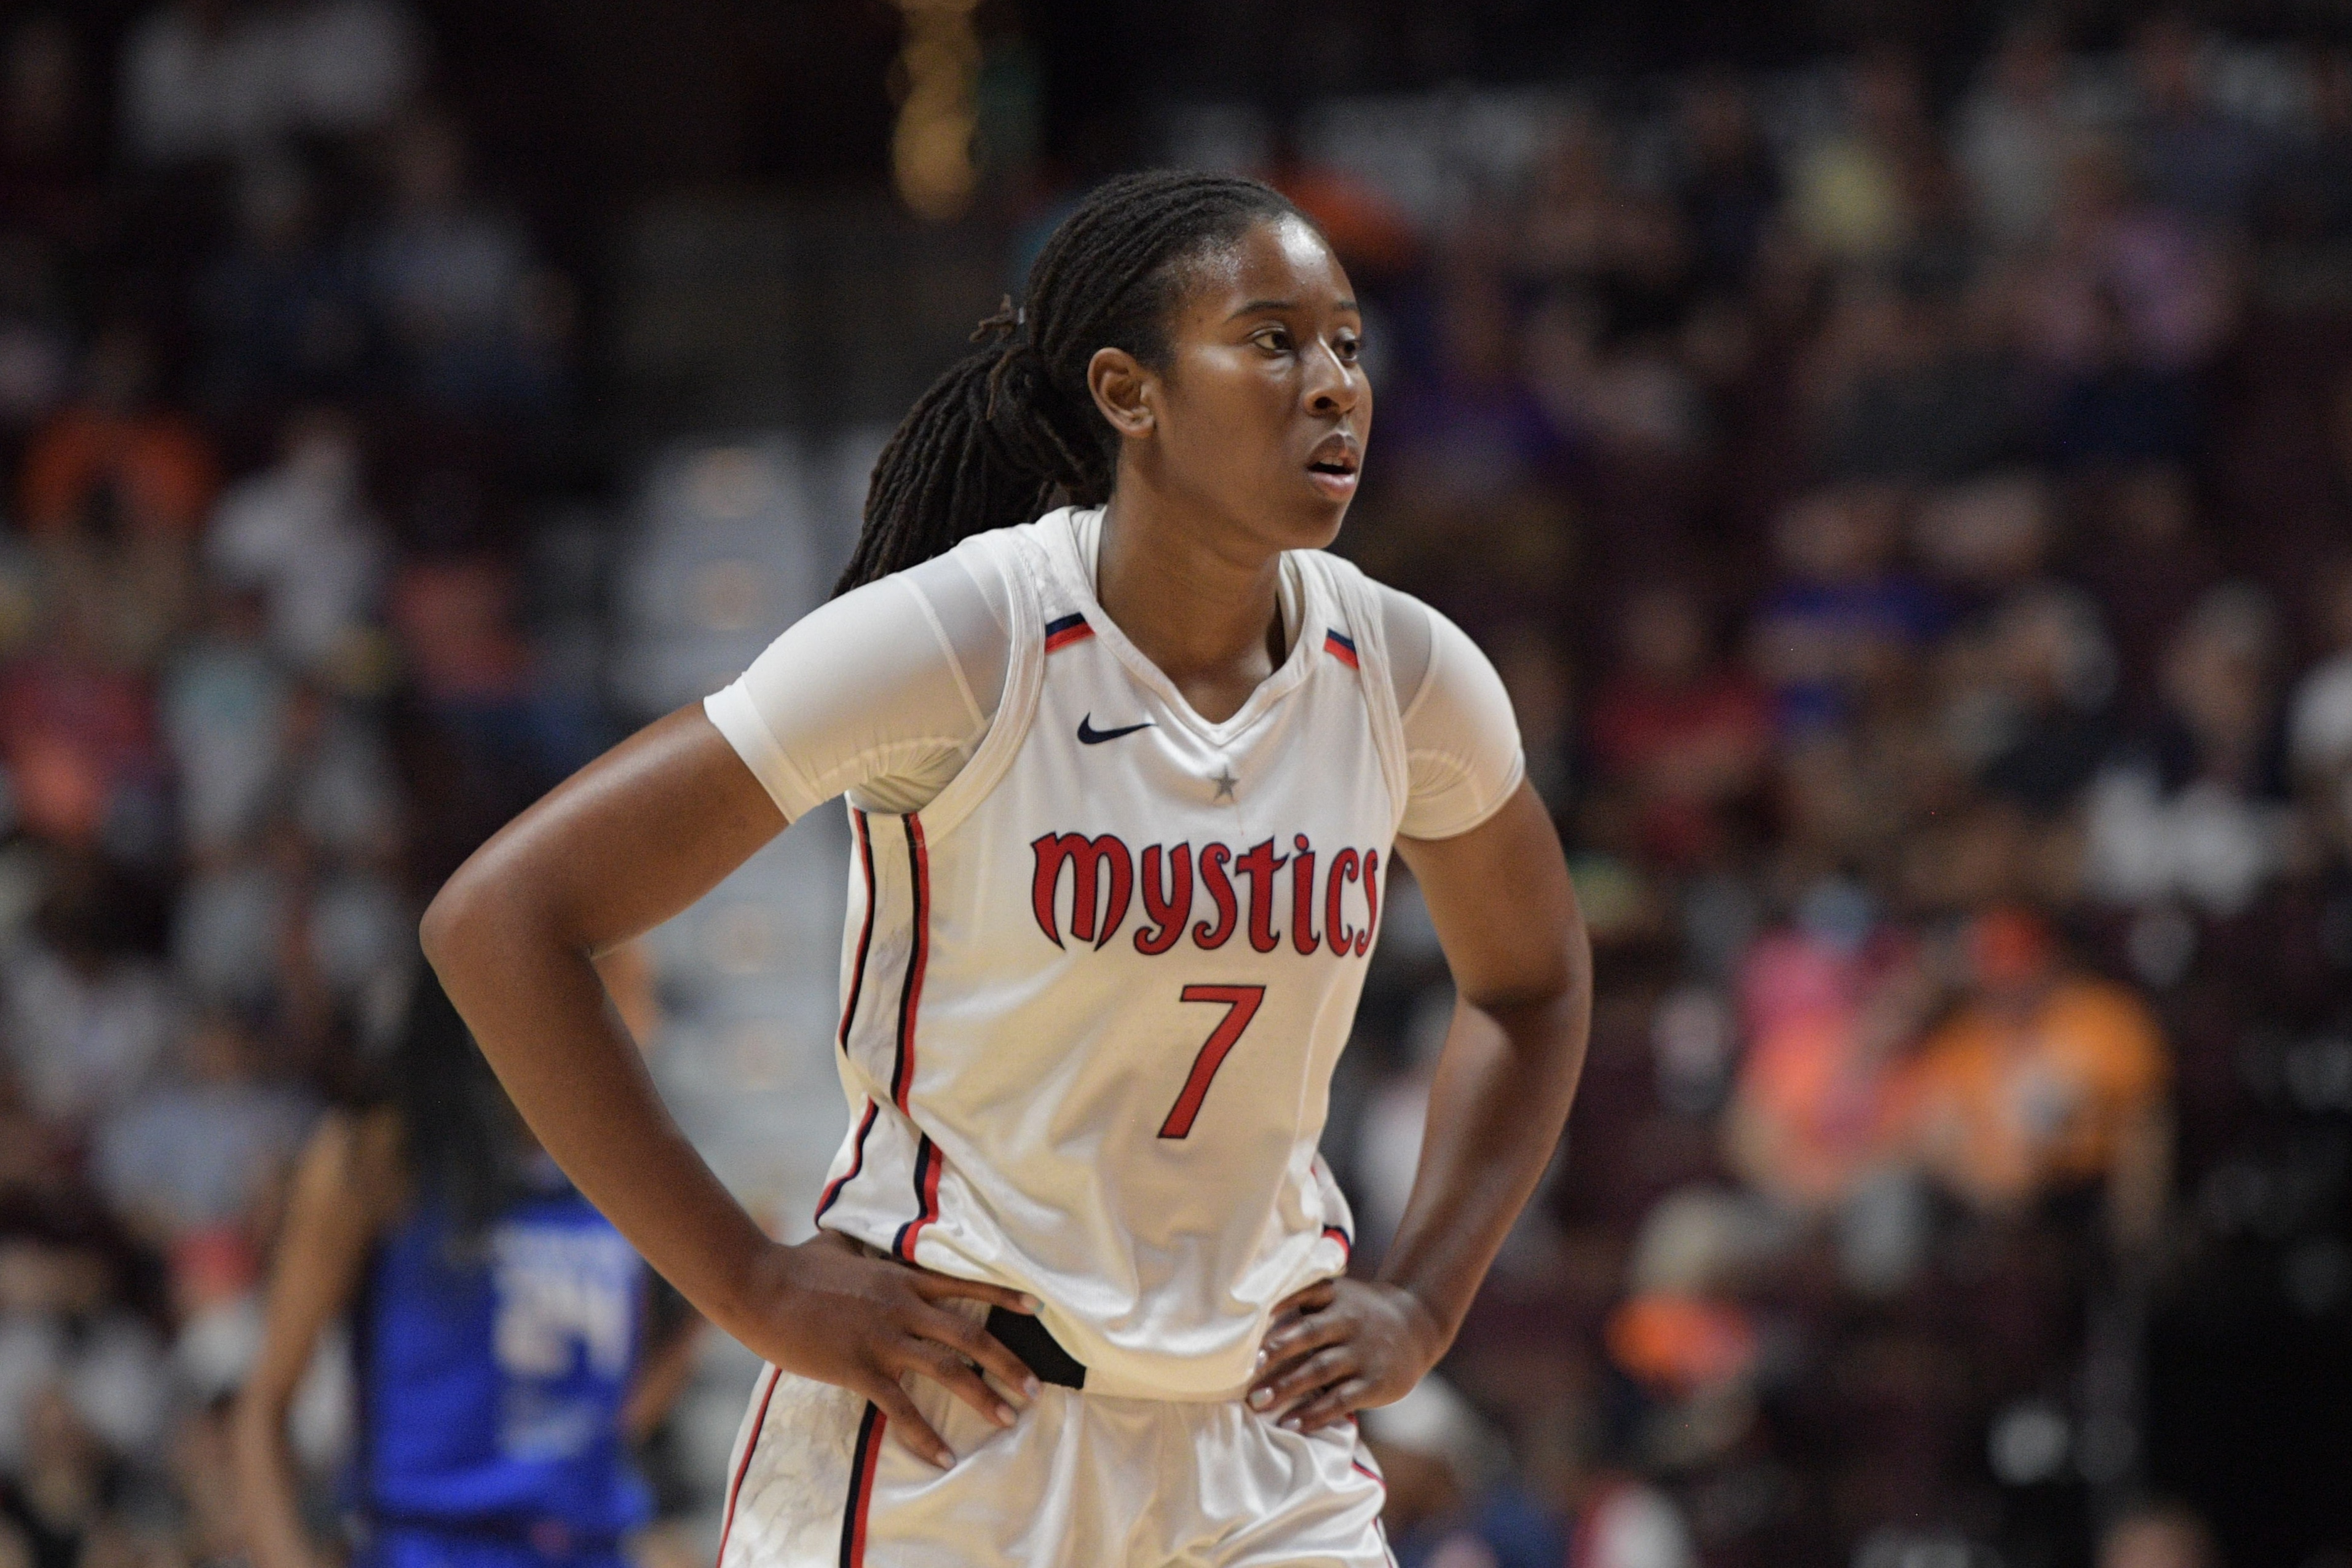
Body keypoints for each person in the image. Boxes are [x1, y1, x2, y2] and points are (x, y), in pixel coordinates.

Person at [421, 170, 1591, 1566]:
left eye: (1345, 340)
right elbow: (502, 919)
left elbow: (1529, 985)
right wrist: (747, 1282)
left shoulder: (1405, 673)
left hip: (1259, 1445)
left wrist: (1424, 1301)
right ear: (1126, 391)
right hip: (954, 1431)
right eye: (1271, 340)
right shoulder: (967, 636)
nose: (1334, 382)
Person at [231, 976, 699, 1568]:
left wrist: (698, 1331)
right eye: (630, 987)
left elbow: (595, 1418)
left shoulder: (629, 1171)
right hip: (427, 1545)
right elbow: (265, 1405)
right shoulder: (381, 1156)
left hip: (588, 1548)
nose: (650, 1016)